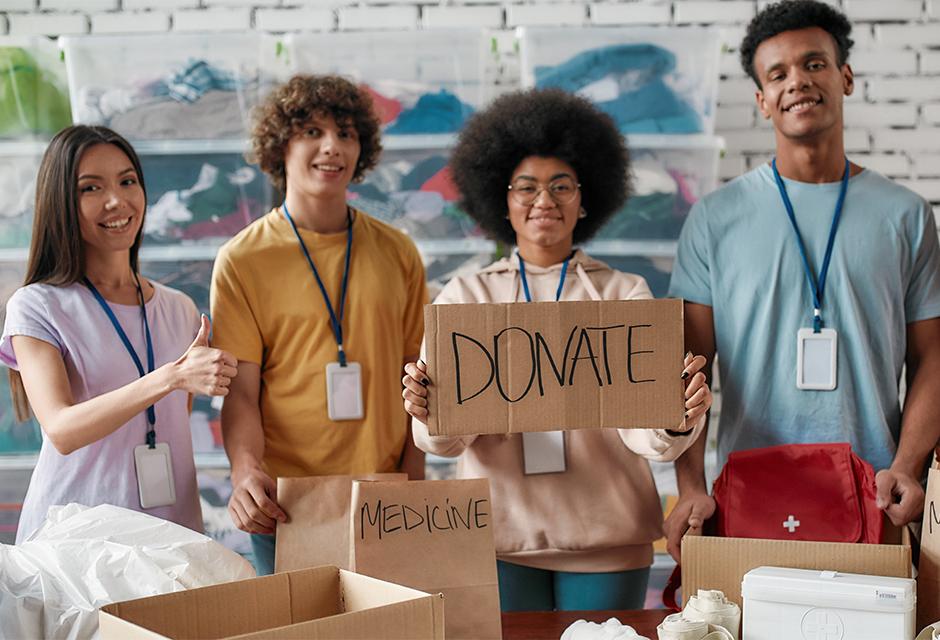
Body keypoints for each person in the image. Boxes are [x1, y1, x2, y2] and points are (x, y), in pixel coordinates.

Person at [401, 88, 712, 611]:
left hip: (608, 540)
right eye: (526, 187)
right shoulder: (465, 297)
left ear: (585, 199)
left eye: (560, 186)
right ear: (501, 199)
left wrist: (676, 420)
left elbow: (648, 437)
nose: (544, 200)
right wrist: (429, 413)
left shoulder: (625, 293)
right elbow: (445, 445)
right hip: (498, 537)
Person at [664, 0, 940, 560]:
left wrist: (909, 467)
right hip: (748, 495)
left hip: (874, 494)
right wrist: (689, 487)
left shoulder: (906, 215)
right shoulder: (716, 218)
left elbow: (932, 356)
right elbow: (687, 367)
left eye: (814, 64)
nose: (798, 82)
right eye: (778, 73)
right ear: (763, 100)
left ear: (846, 77)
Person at [211, 74, 428, 575]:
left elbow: (417, 374)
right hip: (289, 503)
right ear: (280, 144)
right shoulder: (243, 258)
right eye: (312, 131)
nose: (332, 146)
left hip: (385, 499)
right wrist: (245, 472)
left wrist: (416, 482)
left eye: (347, 133)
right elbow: (240, 392)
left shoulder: (397, 251)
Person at [0, 125, 237, 543]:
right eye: (91, 188)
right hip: (77, 540)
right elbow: (61, 429)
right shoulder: (37, 305)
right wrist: (170, 376)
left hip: (172, 533)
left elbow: (169, 424)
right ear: (61, 202)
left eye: (128, 181)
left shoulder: (179, 308)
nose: (116, 200)